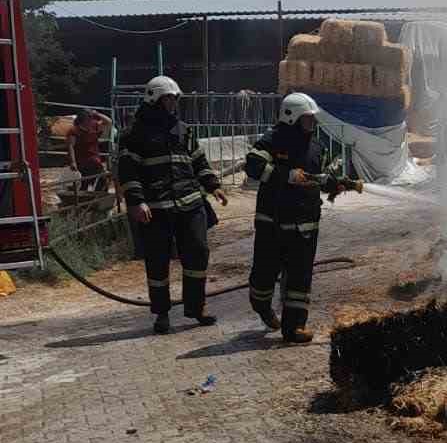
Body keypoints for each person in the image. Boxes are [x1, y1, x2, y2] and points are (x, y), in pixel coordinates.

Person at [116, 76, 228, 334]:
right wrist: (136, 201)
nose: (173, 103)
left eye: (175, 98)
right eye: (168, 98)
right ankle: (162, 314)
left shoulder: (182, 129)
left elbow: (198, 160)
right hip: (155, 208)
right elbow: (128, 170)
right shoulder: (134, 133)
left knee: (198, 253)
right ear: (154, 99)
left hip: (190, 203)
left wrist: (214, 186)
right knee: (157, 263)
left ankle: (196, 307)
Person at [244, 92, 327, 344]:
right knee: (264, 275)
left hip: (305, 224)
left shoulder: (316, 147)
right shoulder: (272, 140)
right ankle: (261, 305)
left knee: (300, 276)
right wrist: (286, 175)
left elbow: (323, 175)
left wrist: (334, 183)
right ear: (291, 117)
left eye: (313, 118)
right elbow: (253, 165)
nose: (312, 123)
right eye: (307, 118)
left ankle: (294, 328)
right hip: (273, 222)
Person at [65, 109, 106, 192]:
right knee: (84, 184)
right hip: (82, 162)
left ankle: (99, 201)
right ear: (83, 120)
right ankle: (83, 202)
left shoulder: (94, 126)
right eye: (89, 118)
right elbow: (70, 146)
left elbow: (109, 122)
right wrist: (73, 162)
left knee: (101, 183)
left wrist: (96, 113)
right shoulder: (74, 131)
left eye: (91, 118)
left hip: (95, 161)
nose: (91, 120)